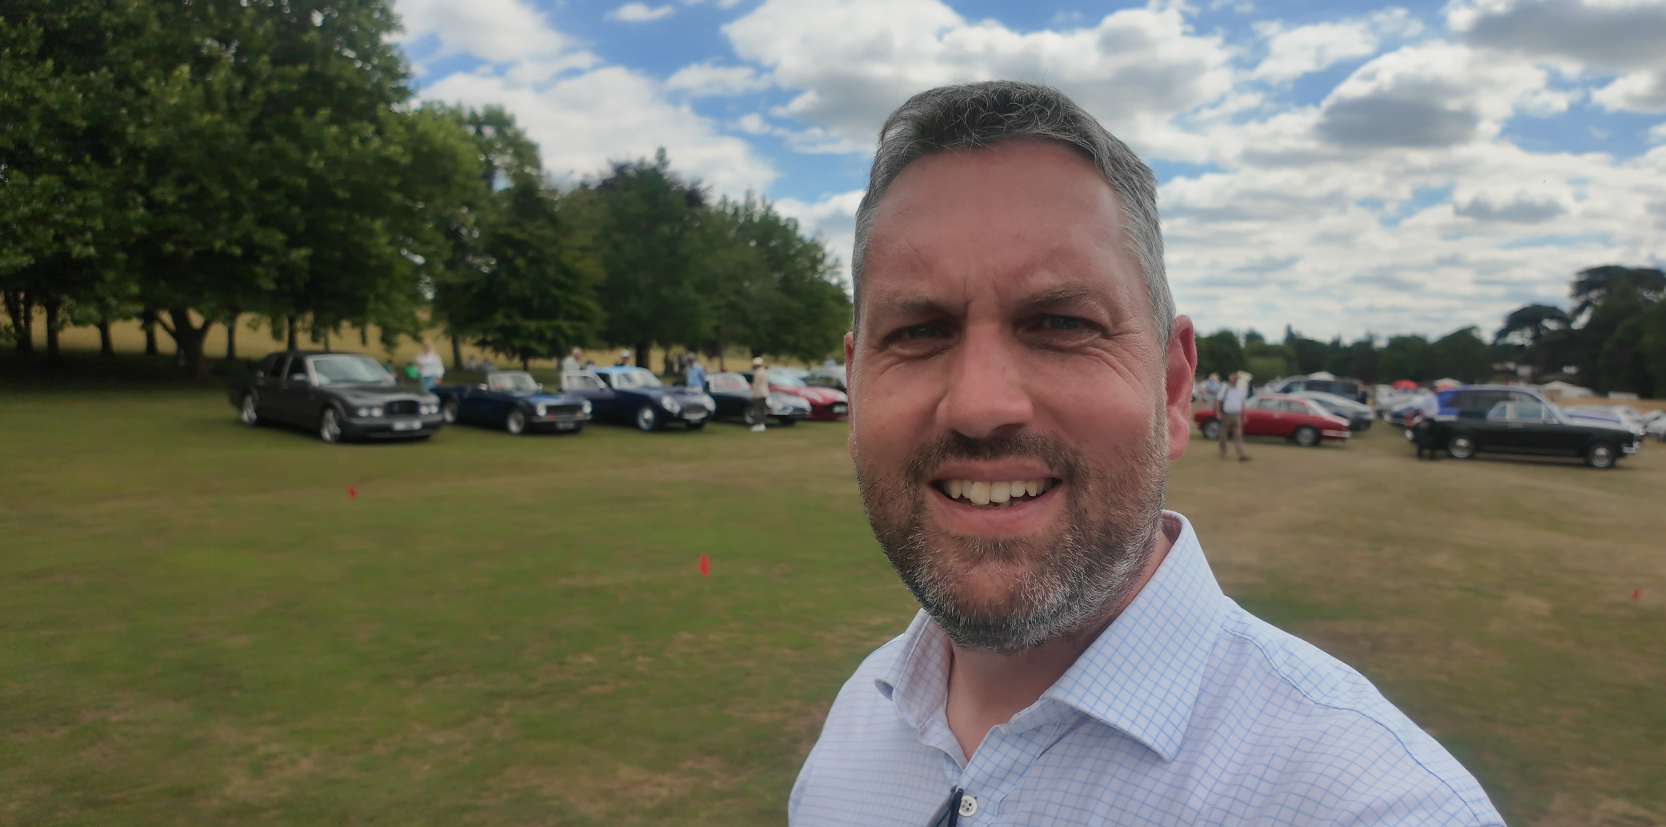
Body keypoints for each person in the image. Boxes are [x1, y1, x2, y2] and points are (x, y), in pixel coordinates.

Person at [789, 82, 1501, 827]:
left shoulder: (1368, 804)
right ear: (855, 383)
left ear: (1171, 388)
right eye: (918, 331)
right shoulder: (859, 720)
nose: (979, 404)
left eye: (1061, 322)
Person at [1217, 371, 1250, 462]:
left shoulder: (1240, 390)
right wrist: (1219, 412)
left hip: (1236, 415)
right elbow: (1219, 401)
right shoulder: (1226, 389)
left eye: (1232, 379)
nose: (1231, 381)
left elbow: (1243, 403)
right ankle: (1223, 452)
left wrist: (1244, 415)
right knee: (1224, 434)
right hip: (1227, 414)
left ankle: (1241, 453)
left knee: (1238, 435)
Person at [1415, 388, 1443, 460]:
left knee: (1434, 438)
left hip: (1434, 419)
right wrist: (1422, 421)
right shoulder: (1428, 397)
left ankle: (1432, 455)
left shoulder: (1435, 397)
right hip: (1427, 419)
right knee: (1423, 437)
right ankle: (1420, 455)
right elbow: (1422, 410)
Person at [748, 356, 769, 433]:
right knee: (762, 410)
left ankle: (759, 424)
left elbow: (756, 385)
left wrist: (754, 395)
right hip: (764, 393)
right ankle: (762, 424)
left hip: (759, 393)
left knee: (757, 409)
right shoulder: (764, 372)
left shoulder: (758, 373)